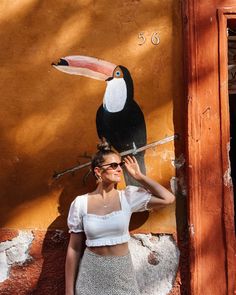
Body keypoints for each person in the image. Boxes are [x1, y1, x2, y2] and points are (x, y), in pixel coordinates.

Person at [65, 142, 175, 295]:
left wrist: (139, 176)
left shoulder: (128, 197)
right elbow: (74, 249)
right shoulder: (80, 203)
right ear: (98, 171)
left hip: (122, 273)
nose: (119, 169)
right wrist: (69, 291)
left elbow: (168, 199)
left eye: (120, 165)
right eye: (113, 165)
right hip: (91, 273)